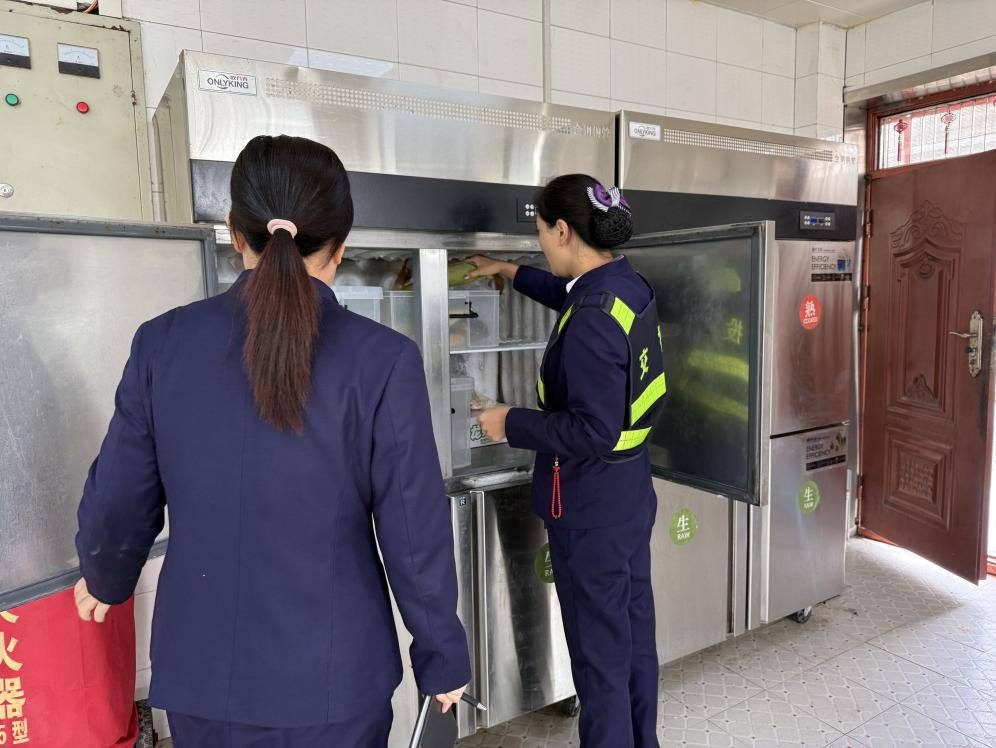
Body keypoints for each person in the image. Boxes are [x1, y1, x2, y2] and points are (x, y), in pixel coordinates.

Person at [74, 135, 470, 747]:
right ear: (341, 243)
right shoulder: (383, 359)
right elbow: (413, 528)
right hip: (336, 682)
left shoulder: (162, 343)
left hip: (203, 678)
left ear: (235, 233)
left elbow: (120, 499)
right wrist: (441, 654)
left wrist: (106, 574)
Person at [468, 175, 666, 748]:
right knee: (632, 637)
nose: (539, 245)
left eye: (539, 235)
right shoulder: (624, 284)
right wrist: (508, 271)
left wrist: (510, 421)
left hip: (589, 508)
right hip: (629, 494)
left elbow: (592, 431)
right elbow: (571, 295)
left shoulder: (595, 318)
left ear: (562, 230)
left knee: (599, 657)